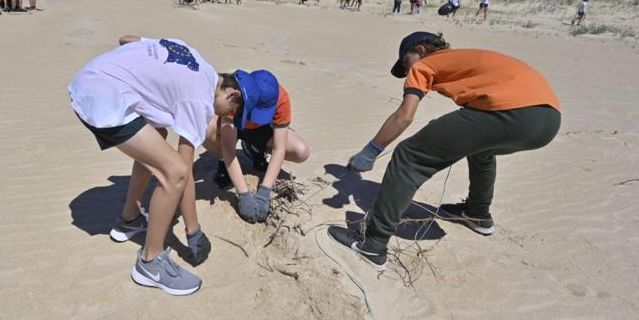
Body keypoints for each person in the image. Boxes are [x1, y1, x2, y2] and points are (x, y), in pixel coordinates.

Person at [329, 32, 561, 270]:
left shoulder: (427, 64)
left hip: (510, 112)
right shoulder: (463, 57)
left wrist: (370, 151)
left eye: (405, 63)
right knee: (482, 149)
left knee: (408, 156)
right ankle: (477, 213)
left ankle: (372, 244)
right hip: (548, 120)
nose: (407, 72)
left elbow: (404, 116)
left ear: (419, 50)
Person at [69, 35, 244, 296]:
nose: (222, 117)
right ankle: (151, 263)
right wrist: (193, 230)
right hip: (101, 98)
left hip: (90, 76)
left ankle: (129, 219)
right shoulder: (200, 99)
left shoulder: (189, 51)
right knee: (173, 172)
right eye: (228, 112)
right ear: (232, 94)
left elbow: (127, 39)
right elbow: (183, 171)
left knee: (158, 135)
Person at [204, 70, 311, 223]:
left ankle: (253, 147)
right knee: (208, 130)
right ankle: (223, 163)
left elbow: (279, 148)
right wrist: (243, 194)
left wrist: (265, 191)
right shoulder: (235, 97)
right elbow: (228, 148)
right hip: (235, 123)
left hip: (261, 131)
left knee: (301, 151)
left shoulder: (281, 99)